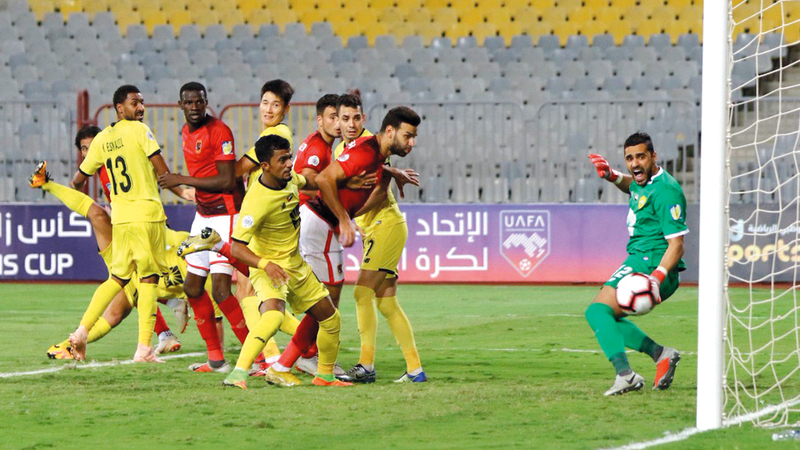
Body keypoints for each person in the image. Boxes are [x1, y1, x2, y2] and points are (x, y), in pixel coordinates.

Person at [30, 126, 186, 359]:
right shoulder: (107, 168)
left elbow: (79, 184)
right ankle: (166, 321)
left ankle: (168, 318)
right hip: (129, 234)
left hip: (136, 230)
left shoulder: (114, 163)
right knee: (125, 298)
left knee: (122, 301)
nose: (89, 151)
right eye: (84, 149)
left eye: (92, 146)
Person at [68, 85, 192, 363]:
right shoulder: (140, 130)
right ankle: (144, 348)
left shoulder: (102, 139)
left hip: (121, 219)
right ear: (119, 108)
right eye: (135, 103)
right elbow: (162, 171)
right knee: (148, 279)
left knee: (118, 278)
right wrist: (183, 191)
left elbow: (77, 181)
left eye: (142, 102)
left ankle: (82, 330)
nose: (141, 107)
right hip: (147, 216)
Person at [219, 134, 351, 389]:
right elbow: (237, 248)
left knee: (330, 318)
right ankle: (237, 374)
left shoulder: (289, 179)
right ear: (265, 166)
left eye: (289, 157)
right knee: (273, 317)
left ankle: (325, 376)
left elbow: (309, 181)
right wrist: (265, 265)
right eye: (282, 160)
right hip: (269, 267)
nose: (290, 163)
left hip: (295, 265)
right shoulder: (256, 201)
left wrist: (345, 180)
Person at [315, 105, 426, 383]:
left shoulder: (369, 147)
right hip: (380, 228)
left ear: (363, 120)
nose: (351, 124)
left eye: (356, 118)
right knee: (387, 303)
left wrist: (347, 217)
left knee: (361, 294)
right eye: (344, 119)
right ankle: (415, 370)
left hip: (383, 225)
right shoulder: (349, 151)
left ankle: (366, 366)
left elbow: (379, 194)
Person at [269, 93, 376, 376]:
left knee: (323, 297)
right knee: (327, 298)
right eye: (334, 118)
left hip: (308, 220)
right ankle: (304, 357)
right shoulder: (318, 147)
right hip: (315, 220)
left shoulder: (324, 145)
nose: (340, 124)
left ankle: (299, 356)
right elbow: (307, 177)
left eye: (343, 118)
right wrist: (343, 185)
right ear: (321, 120)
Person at [157, 82, 250, 373]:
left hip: (226, 214)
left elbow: (226, 180)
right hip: (203, 214)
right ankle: (216, 359)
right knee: (192, 287)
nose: (195, 107)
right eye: (189, 102)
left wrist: (181, 179)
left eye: (199, 102)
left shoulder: (220, 131)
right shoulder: (186, 131)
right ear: (180, 105)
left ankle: (258, 358)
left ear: (206, 102)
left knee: (221, 290)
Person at [586, 131, 686, 396]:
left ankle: (626, 375)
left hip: (652, 262)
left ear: (654, 156)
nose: (634, 163)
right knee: (605, 316)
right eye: (629, 158)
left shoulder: (666, 191)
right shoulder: (645, 182)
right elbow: (634, 187)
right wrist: (611, 175)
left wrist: (656, 277)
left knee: (597, 312)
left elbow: (677, 244)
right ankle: (661, 355)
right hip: (639, 257)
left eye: (641, 157)